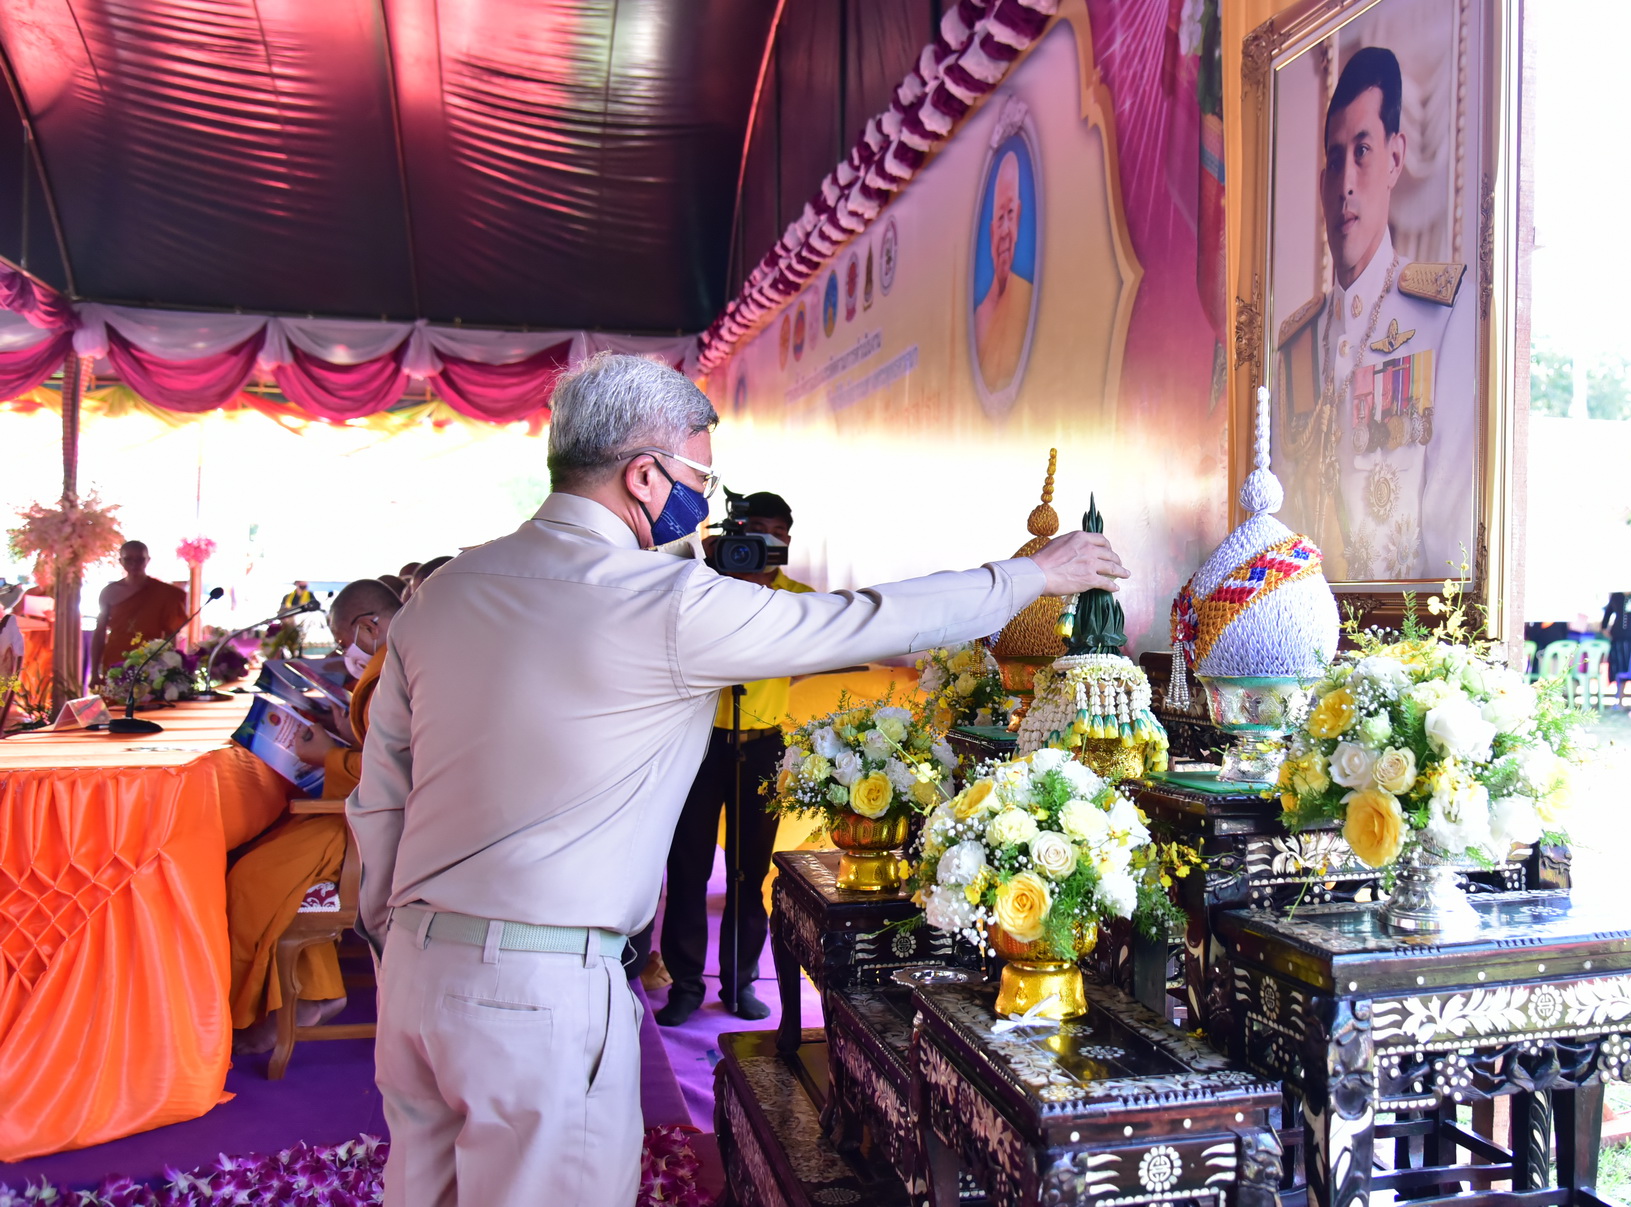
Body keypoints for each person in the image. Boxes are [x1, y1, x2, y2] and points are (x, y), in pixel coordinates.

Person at [349, 353, 1125, 1207]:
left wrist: (392, 936)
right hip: (538, 991)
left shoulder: (441, 594)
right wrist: (1032, 576)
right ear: (644, 476)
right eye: (699, 479)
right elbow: (862, 619)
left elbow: (380, 795)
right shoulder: (660, 600)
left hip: (415, 970)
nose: (704, 503)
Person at [1306, 47, 1476, 581]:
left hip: (1402, 632)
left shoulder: (1444, 316)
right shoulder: (1297, 343)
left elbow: (1451, 545)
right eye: (1336, 159)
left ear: (1396, 158)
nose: (1346, 183)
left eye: (1363, 151)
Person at [225, 578, 400, 1052]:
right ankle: (314, 993)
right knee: (268, 852)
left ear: (369, 626)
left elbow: (400, 771)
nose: (345, 652)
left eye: (343, 641)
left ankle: (258, 1014)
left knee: (250, 879)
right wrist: (342, 729)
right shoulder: (395, 660)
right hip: (360, 813)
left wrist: (328, 757)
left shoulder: (398, 667)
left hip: (373, 825)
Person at [654, 491, 808, 1025]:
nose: (761, 541)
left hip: (763, 746)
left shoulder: (799, 599)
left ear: (787, 540)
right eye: (751, 530)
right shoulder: (706, 587)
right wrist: (722, 575)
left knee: (749, 873)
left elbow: (816, 648)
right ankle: (685, 986)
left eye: (773, 532)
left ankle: (739, 983)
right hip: (697, 745)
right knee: (688, 868)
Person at [972, 150, 1035, 390]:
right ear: (991, 233)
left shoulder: (1028, 298)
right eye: (1000, 218)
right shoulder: (979, 317)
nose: (1006, 230)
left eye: (1010, 214)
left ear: (1018, 219)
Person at [91, 541, 188, 678]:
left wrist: (169, 670)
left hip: (151, 660)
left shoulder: (164, 593)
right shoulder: (109, 592)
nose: (134, 564)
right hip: (116, 659)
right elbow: (99, 632)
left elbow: (170, 635)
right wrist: (94, 671)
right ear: (120, 561)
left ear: (148, 560)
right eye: (128, 559)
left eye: (140, 559)